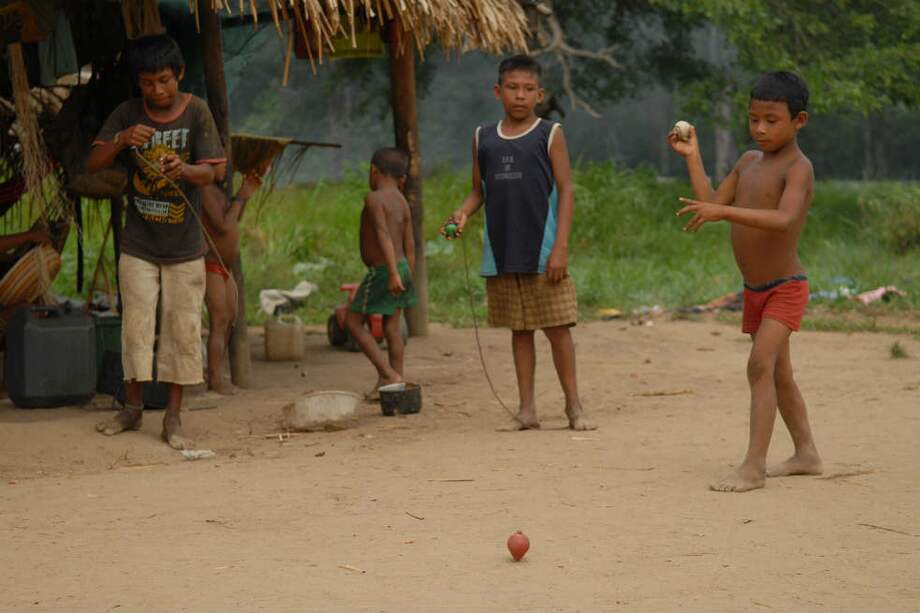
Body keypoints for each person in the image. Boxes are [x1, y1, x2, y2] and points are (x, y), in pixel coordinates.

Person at [668, 71, 823, 492]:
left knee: (759, 365)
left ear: (799, 121)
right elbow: (710, 204)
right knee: (780, 374)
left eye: (772, 120)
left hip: (786, 286)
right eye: (754, 118)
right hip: (755, 290)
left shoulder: (799, 168)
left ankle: (753, 468)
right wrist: (692, 156)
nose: (760, 128)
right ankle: (806, 453)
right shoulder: (747, 162)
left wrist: (727, 213)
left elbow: (784, 219)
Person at [86, 33, 226, 449]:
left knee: (182, 330)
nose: (157, 90)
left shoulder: (196, 111)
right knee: (136, 327)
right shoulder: (126, 114)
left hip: (185, 246)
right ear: (139, 82)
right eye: (148, 82)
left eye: (164, 80)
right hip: (139, 244)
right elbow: (92, 162)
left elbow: (214, 173)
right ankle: (131, 409)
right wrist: (121, 140)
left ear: (179, 74)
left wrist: (183, 169)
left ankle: (173, 417)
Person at [444, 54, 595, 432]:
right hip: (503, 249)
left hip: (544, 252)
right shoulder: (483, 137)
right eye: (512, 88)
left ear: (539, 94)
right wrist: (461, 213)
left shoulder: (550, 134)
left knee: (558, 328)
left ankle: (574, 407)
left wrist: (560, 247)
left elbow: (567, 190)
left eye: (528, 89)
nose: (520, 96)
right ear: (498, 92)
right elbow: (478, 191)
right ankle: (526, 410)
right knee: (520, 329)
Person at [347, 147, 416, 399]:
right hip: (403, 268)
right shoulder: (402, 202)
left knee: (353, 322)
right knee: (392, 329)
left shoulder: (374, 199)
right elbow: (410, 245)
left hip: (384, 271)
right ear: (402, 179)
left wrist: (392, 274)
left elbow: (382, 234)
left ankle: (388, 374)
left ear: (374, 172)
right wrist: (406, 274)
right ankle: (394, 387)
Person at [200, 169, 266, 395]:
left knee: (229, 318)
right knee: (219, 320)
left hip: (223, 267)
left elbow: (233, 217)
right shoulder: (204, 190)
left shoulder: (218, 192)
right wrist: (241, 196)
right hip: (210, 264)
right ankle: (215, 379)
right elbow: (222, 225)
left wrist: (242, 196)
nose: (221, 167)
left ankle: (215, 373)